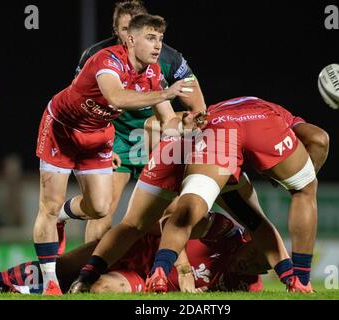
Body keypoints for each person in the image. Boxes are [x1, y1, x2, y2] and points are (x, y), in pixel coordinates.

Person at [33, 13, 200, 295]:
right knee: (48, 204)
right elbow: (116, 98)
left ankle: (62, 215)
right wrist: (165, 94)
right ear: (131, 40)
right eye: (150, 38)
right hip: (62, 128)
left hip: (97, 134)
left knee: (98, 208)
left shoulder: (153, 74)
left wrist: (185, 125)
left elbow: (168, 123)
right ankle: (50, 281)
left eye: (160, 38)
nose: (158, 45)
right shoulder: (106, 60)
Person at [146, 96, 319, 293]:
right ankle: (302, 282)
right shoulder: (282, 114)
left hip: (219, 126)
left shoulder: (207, 114)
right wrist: (305, 177)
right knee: (303, 191)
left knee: (189, 209)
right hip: (263, 122)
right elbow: (319, 139)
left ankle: (159, 271)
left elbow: (152, 125)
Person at [74, 0, 206, 243]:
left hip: (153, 134)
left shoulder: (169, 59)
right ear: (116, 31)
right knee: (103, 209)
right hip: (115, 137)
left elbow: (197, 108)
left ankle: (172, 269)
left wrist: (185, 136)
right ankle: (89, 272)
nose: (129, 39)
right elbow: (80, 102)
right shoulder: (97, 56)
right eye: (124, 30)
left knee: (168, 209)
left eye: (136, 31)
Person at [0, 212, 268, 294]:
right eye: (253, 255)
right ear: (250, 241)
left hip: (143, 278)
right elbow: (170, 220)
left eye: (257, 267)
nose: (249, 264)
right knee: (65, 267)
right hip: (137, 243)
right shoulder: (225, 231)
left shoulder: (249, 285)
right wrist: (182, 264)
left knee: (103, 288)